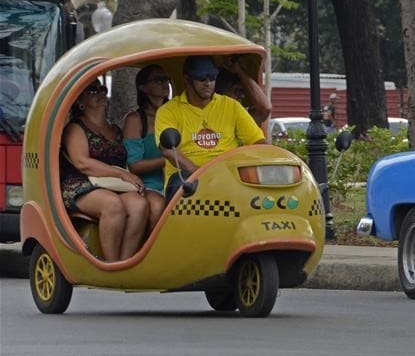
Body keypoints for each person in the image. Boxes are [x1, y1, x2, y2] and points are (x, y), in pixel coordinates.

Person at [60, 79, 164, 261]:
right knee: (112, 205)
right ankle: (110, 263)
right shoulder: (75, 128)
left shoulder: (115, 129)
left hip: (113, 185)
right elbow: (82, 162)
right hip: (81, 183)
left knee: (140, 205)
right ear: (80, 101)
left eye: (103, 88)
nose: (100, 93)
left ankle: (126, 261)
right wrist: (123, 174)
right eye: (93, 90)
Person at [156, 55, 265, 201]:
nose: (208, 84)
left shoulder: (231, 105)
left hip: (228, 175)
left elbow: (257, 142)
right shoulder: (168, 110)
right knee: (182, 188)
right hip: (187, 177)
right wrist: (199, 172)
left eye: (212, 79)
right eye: (202, 79)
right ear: (187, 79)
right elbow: (168, 149)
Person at [122, 64, 169, 228]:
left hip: (181, 181)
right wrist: (168, 159)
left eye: (166, 79)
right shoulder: (135, 120)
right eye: (158, 80)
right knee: (157, 207)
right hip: (149, 185)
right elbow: (134, 165)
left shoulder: (178, 114)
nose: (165, 84)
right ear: (143, 87)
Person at [214, 55, 272, 127]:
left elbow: (265, 109)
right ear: (221, 93)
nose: (242, 96)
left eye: (242, 91)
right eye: (237, 91)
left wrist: (239, 71)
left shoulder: (240, 118)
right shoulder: (207, 114)